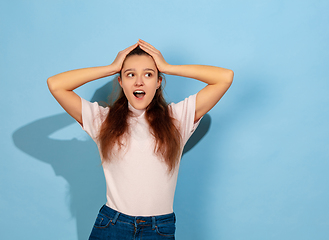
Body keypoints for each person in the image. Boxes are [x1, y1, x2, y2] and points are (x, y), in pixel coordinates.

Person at [47, 39, 233, 240]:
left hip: (159, 229)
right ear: (120, 82)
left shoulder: (178, 118)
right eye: (130, 75)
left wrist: (168, 67)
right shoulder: (102, 120)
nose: (139, 81)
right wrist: (111, 68)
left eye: (148, 74)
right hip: (112, 224)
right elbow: (56, 85)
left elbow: (224, 77)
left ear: (159, 81)